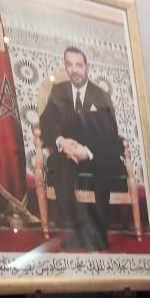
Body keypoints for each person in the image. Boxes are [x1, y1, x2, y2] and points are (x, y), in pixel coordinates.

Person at [40, 46, 122, 250]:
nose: (74, 69)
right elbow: (46, 122)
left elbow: (110, 134)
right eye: (70, 65)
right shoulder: (58, 91)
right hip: (67, 154)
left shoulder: (101, 95)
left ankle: (99, 235)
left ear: (87, 67)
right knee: (57, 165)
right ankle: (78, 231)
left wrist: (87, 152)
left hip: (95, 154)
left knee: (105, 166)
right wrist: (61, 141)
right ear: (65, 66)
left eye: (79, 65)